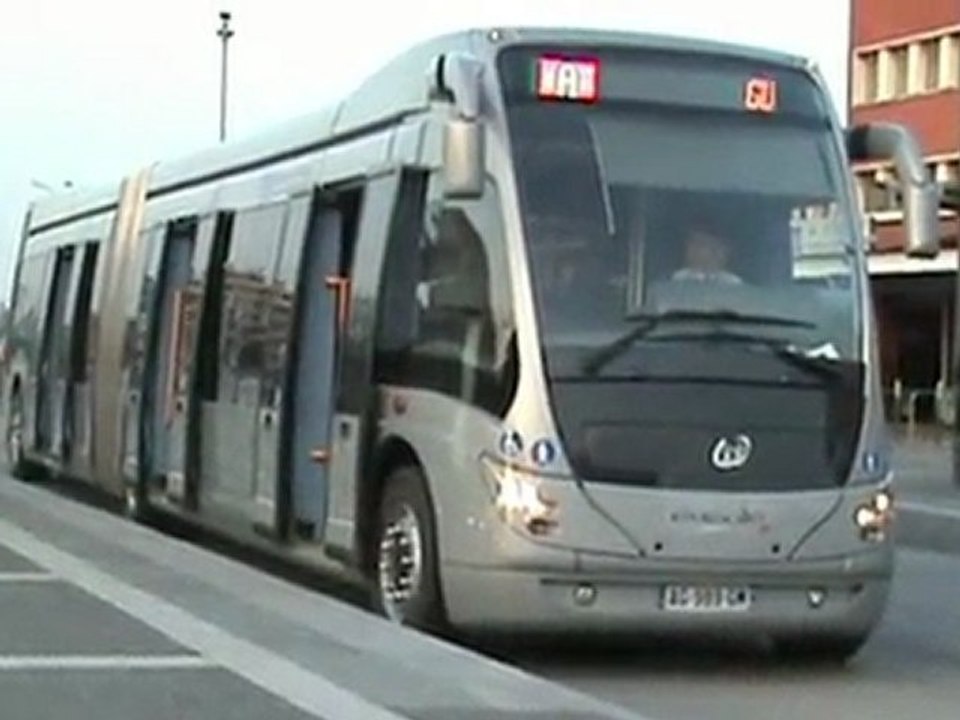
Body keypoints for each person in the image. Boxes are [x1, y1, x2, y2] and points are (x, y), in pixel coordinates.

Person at [671, 225, 743, 285]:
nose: (693, 250)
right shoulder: (678, 279)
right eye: (691, 244)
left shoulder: (733, 282)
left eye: (700, 245)